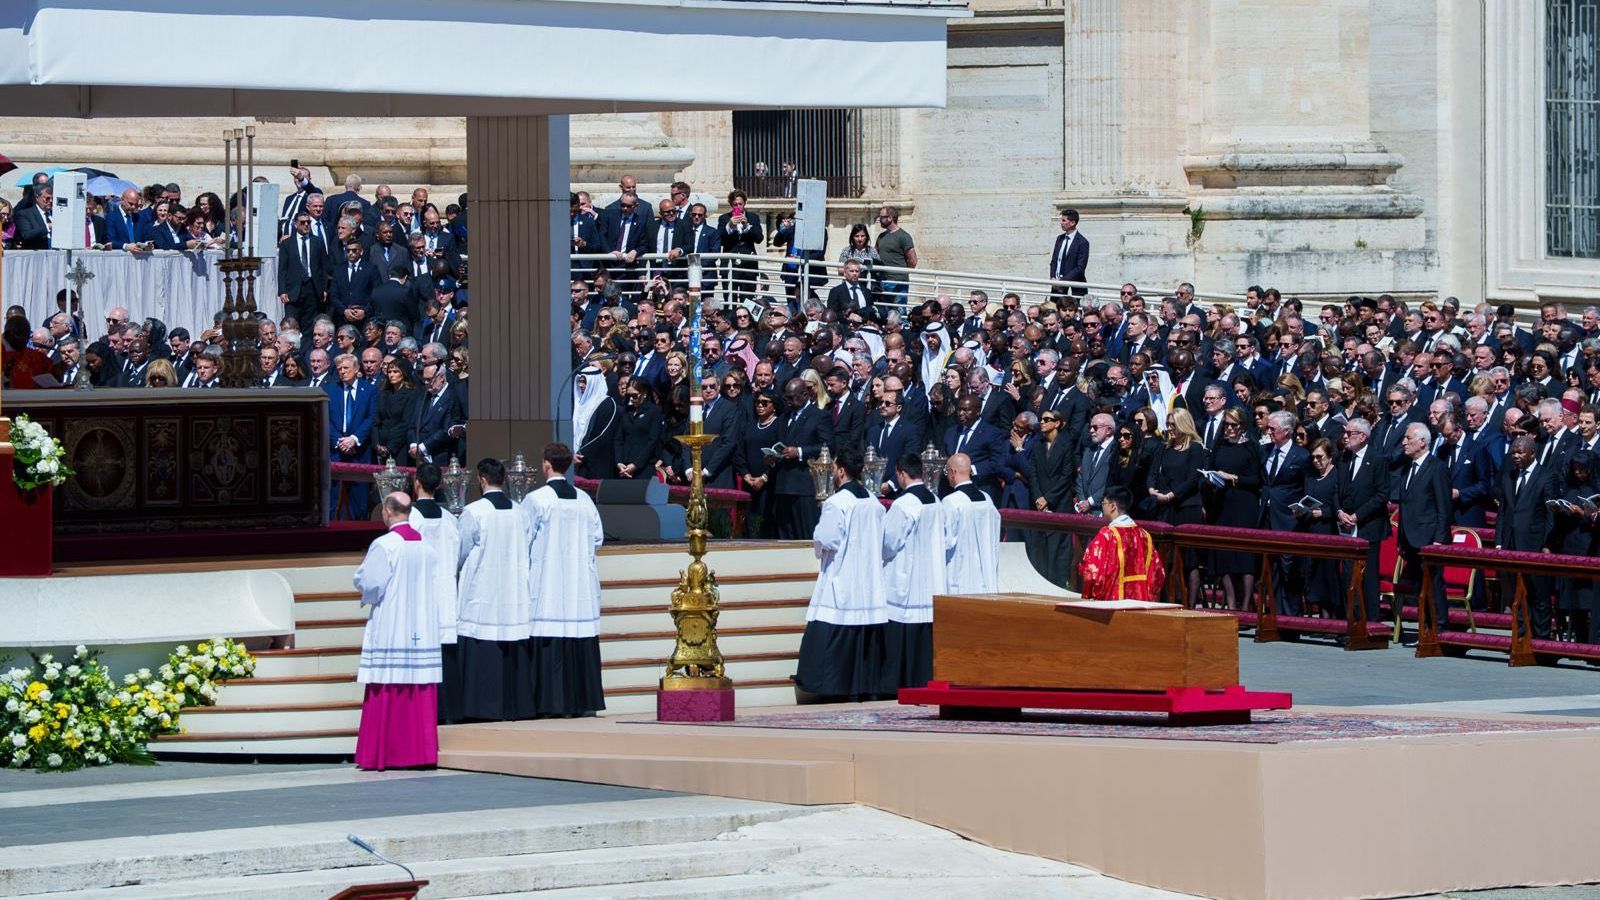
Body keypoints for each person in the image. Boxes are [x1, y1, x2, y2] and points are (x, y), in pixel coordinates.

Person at [352, 492, 441, 771]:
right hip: (420, 624)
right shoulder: (426, 546)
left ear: (388, 512)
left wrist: (360, 585)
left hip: (394, 623)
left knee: (388, 681)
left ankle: (388, 753)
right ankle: (421, 753)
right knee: (417, 684)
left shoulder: (385, 544)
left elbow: (372, 584)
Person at [795, 446, 890, 702]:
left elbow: (827, 539)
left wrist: (817, 541)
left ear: (841, 471)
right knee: (863, 635)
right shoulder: (874, 501)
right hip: (868, 578)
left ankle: (832, 686)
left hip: (842, 574)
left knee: (833, 629)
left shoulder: (836, 503)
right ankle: (862, 686)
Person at [521, 443, 607, 717]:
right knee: (578, 636)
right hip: (579, 581)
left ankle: (550, 703)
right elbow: (598, 538)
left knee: (550, 637)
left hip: (548, 581)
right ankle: (582, 702)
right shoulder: (584, 500)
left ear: (546, 464)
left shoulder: (537, 500)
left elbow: (523, 538)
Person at [455, 458, 534, 721]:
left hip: (483, 587)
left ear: (482, 479)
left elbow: (461, 549)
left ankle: (480, 706)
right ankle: (516, 705)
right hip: (512, 588)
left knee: (482, 639)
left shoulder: (474, 512)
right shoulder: (520, 511)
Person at [881, 452, 952, 690]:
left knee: (903, 627)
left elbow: (889, 543)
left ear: (901, 474)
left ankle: (897, 683)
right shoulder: (935, 500)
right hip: (931, 575)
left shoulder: (903, 504)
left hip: (908, 577)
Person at [408, 463, 463, 725]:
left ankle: (421, 710)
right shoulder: (450, 518)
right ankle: (448, 711)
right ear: (439, 485)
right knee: (445, 652)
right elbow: (459, 552)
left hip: (419, 592)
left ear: (416, 483)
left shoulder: (410, 519)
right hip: (445, 590)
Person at [1396, 422, 1453, 636]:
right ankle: (1424, 627)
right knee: (1419, 585)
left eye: (1408, 438)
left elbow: (1443, 506)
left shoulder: (1436, 467)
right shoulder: (1406, 468)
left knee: (1434, 584)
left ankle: (1438, 627)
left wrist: (1440, 538)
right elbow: (1406, 505)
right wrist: (1401, 538)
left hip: (1429, 537)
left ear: (1422, 441)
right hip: (1410, 537)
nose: (1404, 442)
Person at [1204, 406, 1263, 610]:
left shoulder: (1251, 447)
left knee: (1244, 557)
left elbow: (1257, 480)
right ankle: (1230, 603)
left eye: (1233, 425)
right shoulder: (1220, 446)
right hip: (1222, 503)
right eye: (1226, 425)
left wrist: (1233, 478)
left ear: (1242, 426)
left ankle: (1246, 605)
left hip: (1244, 504)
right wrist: (1211, 480)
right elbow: (1211, 468)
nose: (1229, 429)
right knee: (1224, 555)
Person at [1078, 486, 1167, 600]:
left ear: (1112, 507)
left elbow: (1091, 571)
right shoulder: (1144, 535)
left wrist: (1089, 595)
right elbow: (1158, 573)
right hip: (1141, 604)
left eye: (1103, 504)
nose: (1102, 507)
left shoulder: (1107, 535)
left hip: (1112, 604)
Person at [941, 453, 1000, 594]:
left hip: (961, 573)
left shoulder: (951, 501)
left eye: (946, 472)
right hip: (986, 571)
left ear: (953, 472)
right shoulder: (986, 498)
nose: (946, 476)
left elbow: (946, 541)